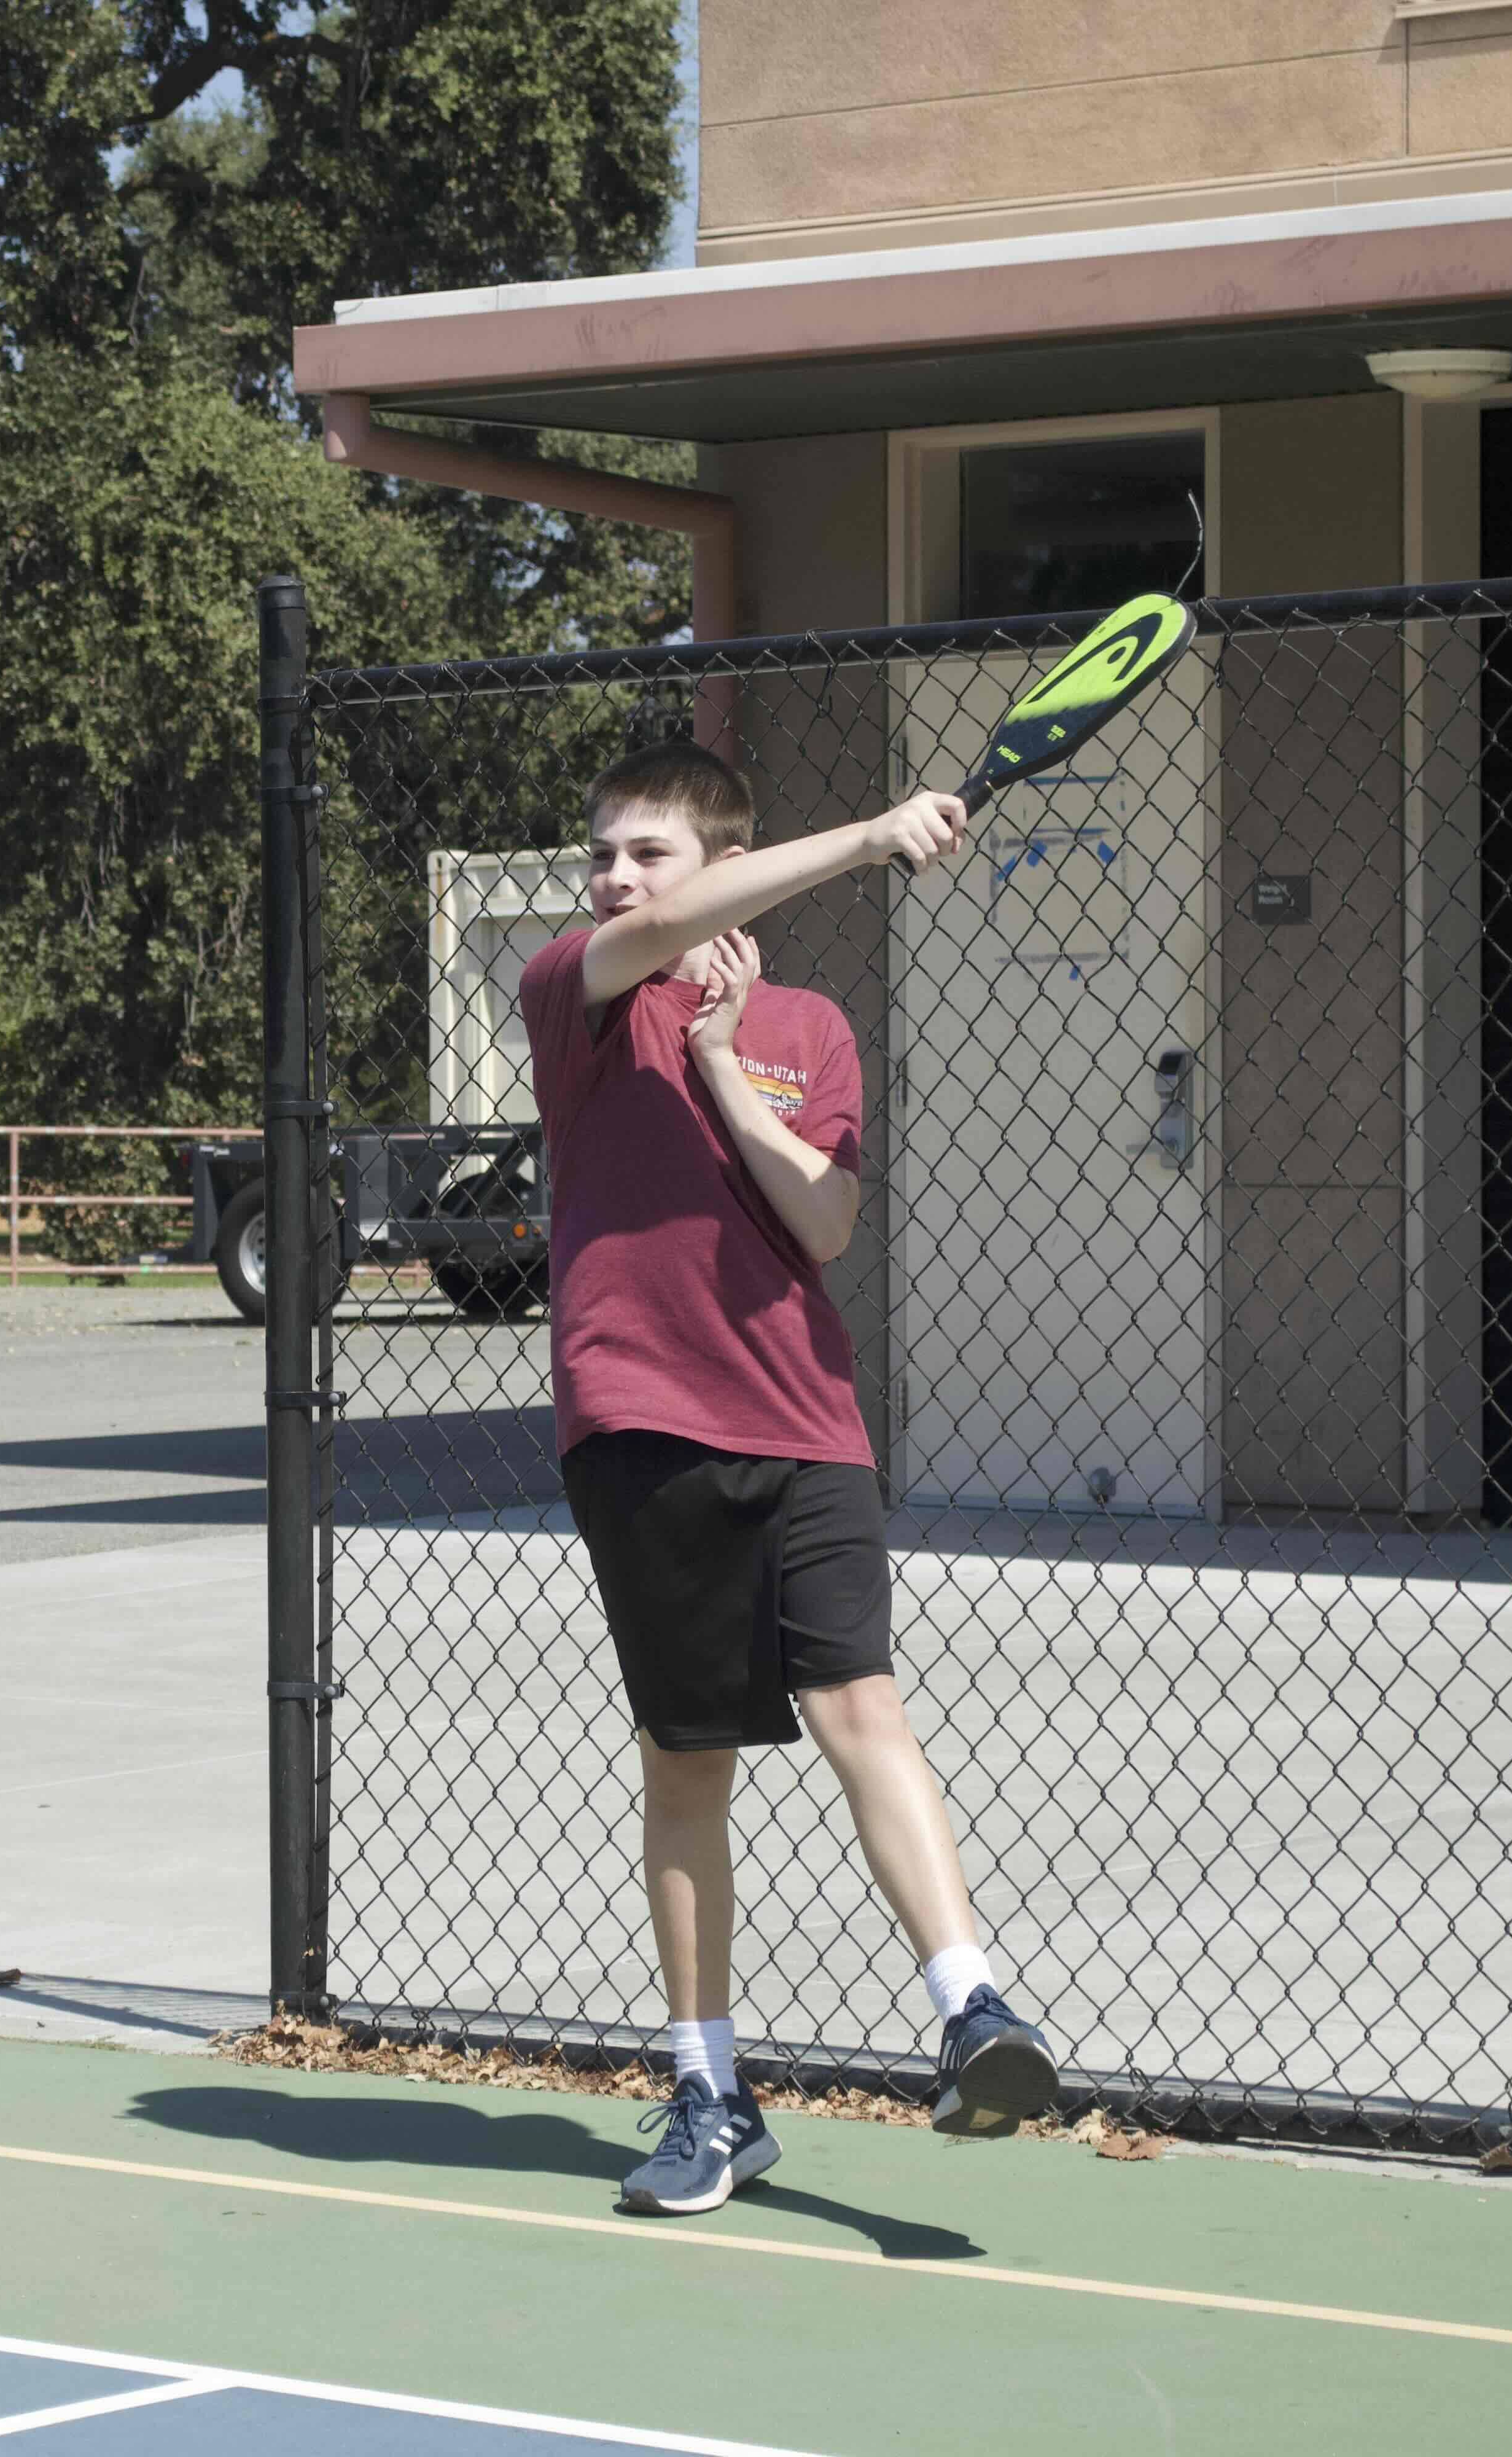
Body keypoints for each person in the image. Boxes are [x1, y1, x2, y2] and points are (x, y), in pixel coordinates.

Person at [516, 737, 1058, 2217]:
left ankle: (972, 2013)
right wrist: (875, 829)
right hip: (638, 1419)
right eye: (603, 852)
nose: (613, 876)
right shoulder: (574, 986)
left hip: (805, 1418)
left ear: (717, 858)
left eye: (649, 853)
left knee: (858, 1704)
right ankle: (708, 2091)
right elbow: (647, 940)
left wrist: (722, 1068)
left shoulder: (810, 1023)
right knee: (688, 1761)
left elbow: (821, 1225)